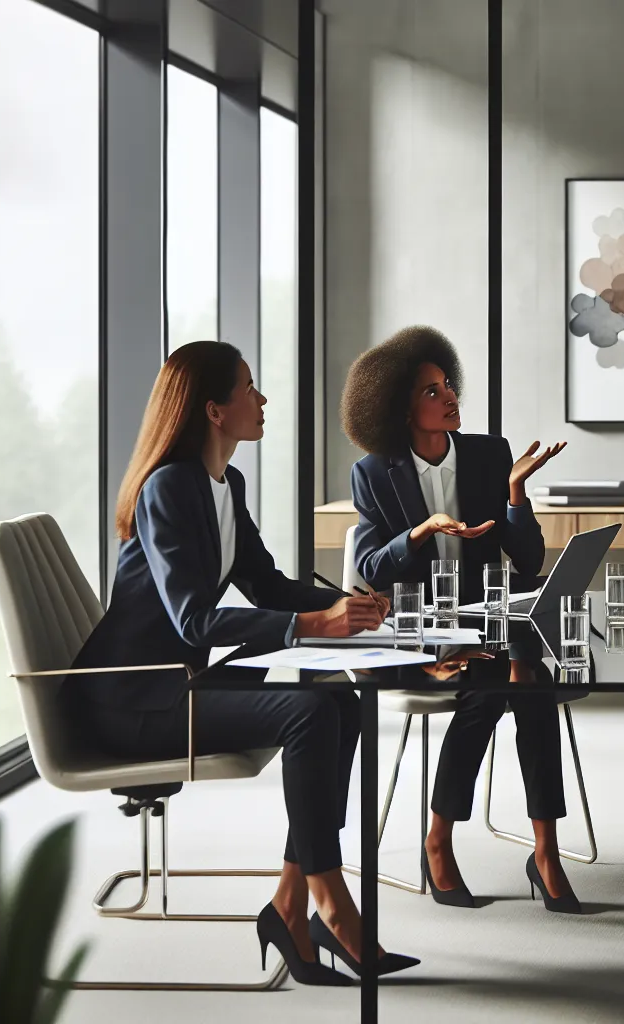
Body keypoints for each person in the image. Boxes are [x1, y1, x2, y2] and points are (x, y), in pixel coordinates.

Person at [66, 340, 412, 985]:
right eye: (249, 387)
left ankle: (289, 904)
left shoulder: (227, 484)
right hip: (136, 703)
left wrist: (348, 604)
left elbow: (266, 585)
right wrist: (314, 624)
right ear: (214, 410)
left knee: (337, 699)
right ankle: (331, 902)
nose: (262, 398)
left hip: (180, 684)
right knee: (309, 712)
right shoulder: (168, 487)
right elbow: (193, 621)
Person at [342, 325, 580, 912]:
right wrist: (422, 531)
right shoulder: (375, 472)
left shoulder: (489, 455)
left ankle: (545, 849)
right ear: (400, 407)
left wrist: (516, 493)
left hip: (486, 621)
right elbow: (370, 567)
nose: (450, 396)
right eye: (432, 391)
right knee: (498, 685)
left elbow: (529, 561)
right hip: (418, 630)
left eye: (448, 384)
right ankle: (439, 841)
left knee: (529, 681)